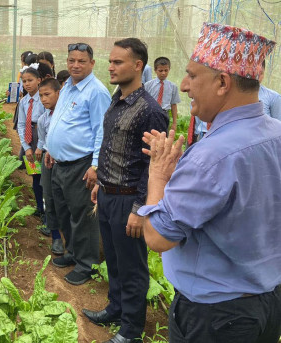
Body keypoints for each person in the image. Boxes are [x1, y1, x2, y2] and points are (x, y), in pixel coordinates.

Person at [138, 23, 281, 343]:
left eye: (192, 75)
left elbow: (159, 237)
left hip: (216, 318)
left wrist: (159, 176)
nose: (184, 86)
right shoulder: (276, 135)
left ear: (222, 82)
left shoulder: (211, 156)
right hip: (268, 304)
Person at [83, 38, 169, 343]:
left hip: (129, 201)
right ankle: (115, 309)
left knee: (133, 266)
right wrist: (102, 184)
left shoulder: (151, 111)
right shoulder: (116, 100)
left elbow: (152, 166)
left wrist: (140, 209)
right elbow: (110, 148)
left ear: (137, 65)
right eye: (110, 61)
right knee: (115, 261)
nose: (111, 67)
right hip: (107, 195)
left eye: (118, 62)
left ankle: (131, 330)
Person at [46, 42, 111, 285]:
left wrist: (95, 165)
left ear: (92, 64)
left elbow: (102, 132)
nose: (75, 65)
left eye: (81, 61)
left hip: (80, 165)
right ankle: (73, 253)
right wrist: (52, 148)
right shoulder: (68, 87)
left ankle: (87, 264)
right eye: (72, 60)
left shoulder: (96, 92)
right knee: (65, 213)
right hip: (60, 164)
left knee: (83, 217)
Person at [35, 78, 64, 255]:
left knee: (66, 201)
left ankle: (71, 238)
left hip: (64, 161)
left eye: (47, 94)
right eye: (41, 96)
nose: (44, 99)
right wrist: (41, 149)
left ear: (58, 94)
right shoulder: (42, 119)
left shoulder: (67, 116)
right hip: (48, 161)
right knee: (49, 199)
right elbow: (43, 139)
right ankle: (56, 238)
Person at [17, 66, 46, 225]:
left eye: (30, 80)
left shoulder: (44, 99)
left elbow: (48, 124)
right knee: (35, 176)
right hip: (30, 138)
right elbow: (21, 125)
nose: (27, 84)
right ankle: (39, 208)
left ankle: (48, 211)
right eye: (24, 81)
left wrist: (40, 146)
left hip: (43, 139)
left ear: (39, 80)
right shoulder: (23, 101)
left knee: (46, 177)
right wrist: (26, 147)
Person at [145, 57, 181, 129]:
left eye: (166, 70)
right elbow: (143, 102)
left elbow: (173, 105)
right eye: (160, 70)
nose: (163, 73)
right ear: (155, 70)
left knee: (163, 135)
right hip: (151, 113)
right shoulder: (148, 85)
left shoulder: (173, 87)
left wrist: (174, 123)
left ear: (169, 70)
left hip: (164, 114)